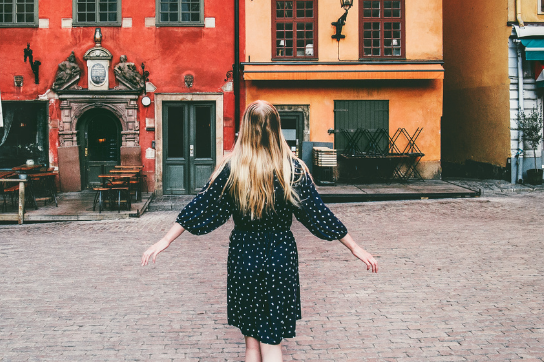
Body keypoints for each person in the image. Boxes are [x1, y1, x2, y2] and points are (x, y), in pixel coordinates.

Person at [141, 100, 378, 362]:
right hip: (280, 257)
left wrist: (165, 240)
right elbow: (319, 215)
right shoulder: (292, 169)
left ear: (245, 129)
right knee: (271, 341)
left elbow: (201, 208)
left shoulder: (233, 169)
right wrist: (354, 246)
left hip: (244, 256)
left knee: (252, 344)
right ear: (277, 129)